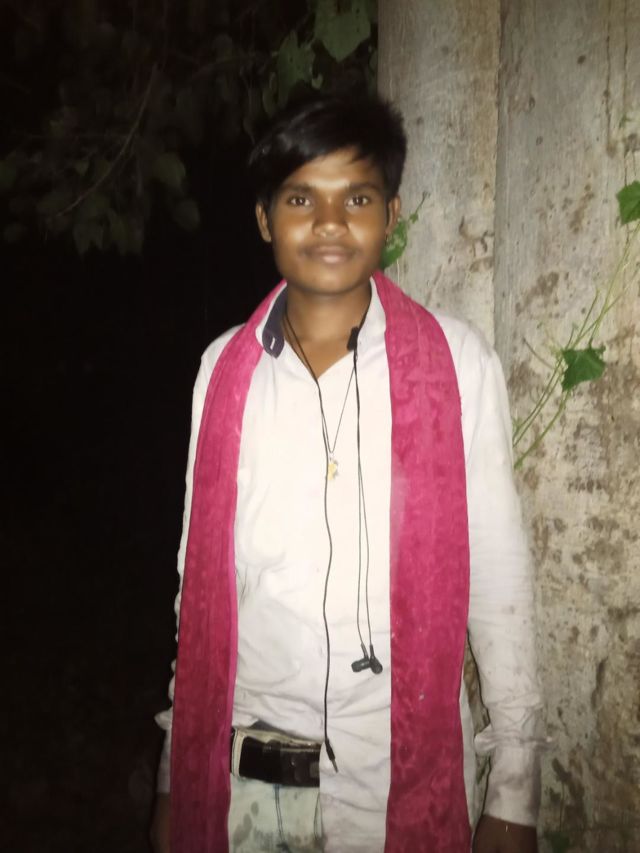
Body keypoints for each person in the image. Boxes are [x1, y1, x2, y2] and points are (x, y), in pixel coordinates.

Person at [151, 92, 545, 853]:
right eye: (302, 198)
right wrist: (176, 772)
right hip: (244, 787)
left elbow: (498, 577)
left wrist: (515, 791)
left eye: (356, 198)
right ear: (265, 219)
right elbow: (197, 585)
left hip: (393, 785)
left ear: (390, 215)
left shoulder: (456, 365)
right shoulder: (223, 372)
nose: (329, 222)